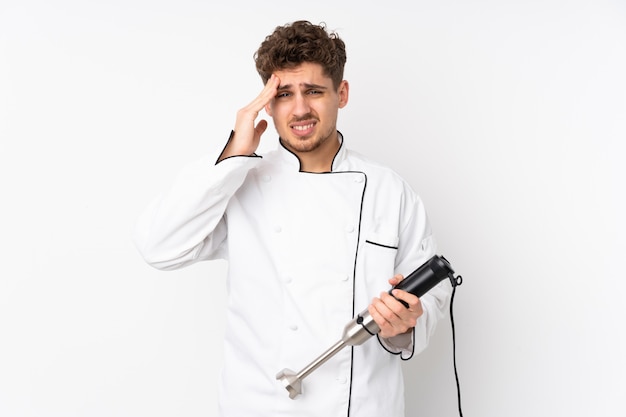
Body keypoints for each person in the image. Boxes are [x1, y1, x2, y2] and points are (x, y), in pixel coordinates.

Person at [132, 20, 452, 417]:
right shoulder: (238, 183)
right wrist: (234, 151)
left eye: (314, 91)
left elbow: (433, 298)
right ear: (267, 103)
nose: (300, 109)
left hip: (361, 405)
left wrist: (403, 325)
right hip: (260, 406)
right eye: (284, 94)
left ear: (342, 93)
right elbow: (159, 247)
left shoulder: (391, 191)